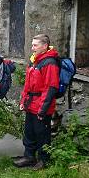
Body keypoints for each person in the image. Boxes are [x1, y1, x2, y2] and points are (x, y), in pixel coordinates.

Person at [14, 34, 60, 170]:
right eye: (32, 45)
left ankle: (44, 160)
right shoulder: (35, 61)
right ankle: (29, 156)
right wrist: (23, 101)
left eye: (35, 45)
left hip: (41, 105)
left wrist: (43, 109)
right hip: (31, 103)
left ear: (44, 46)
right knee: (29, 132)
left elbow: (50, 88)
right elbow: (28, 84)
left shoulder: (50, 63)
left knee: (42, 134)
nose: (32, 48)